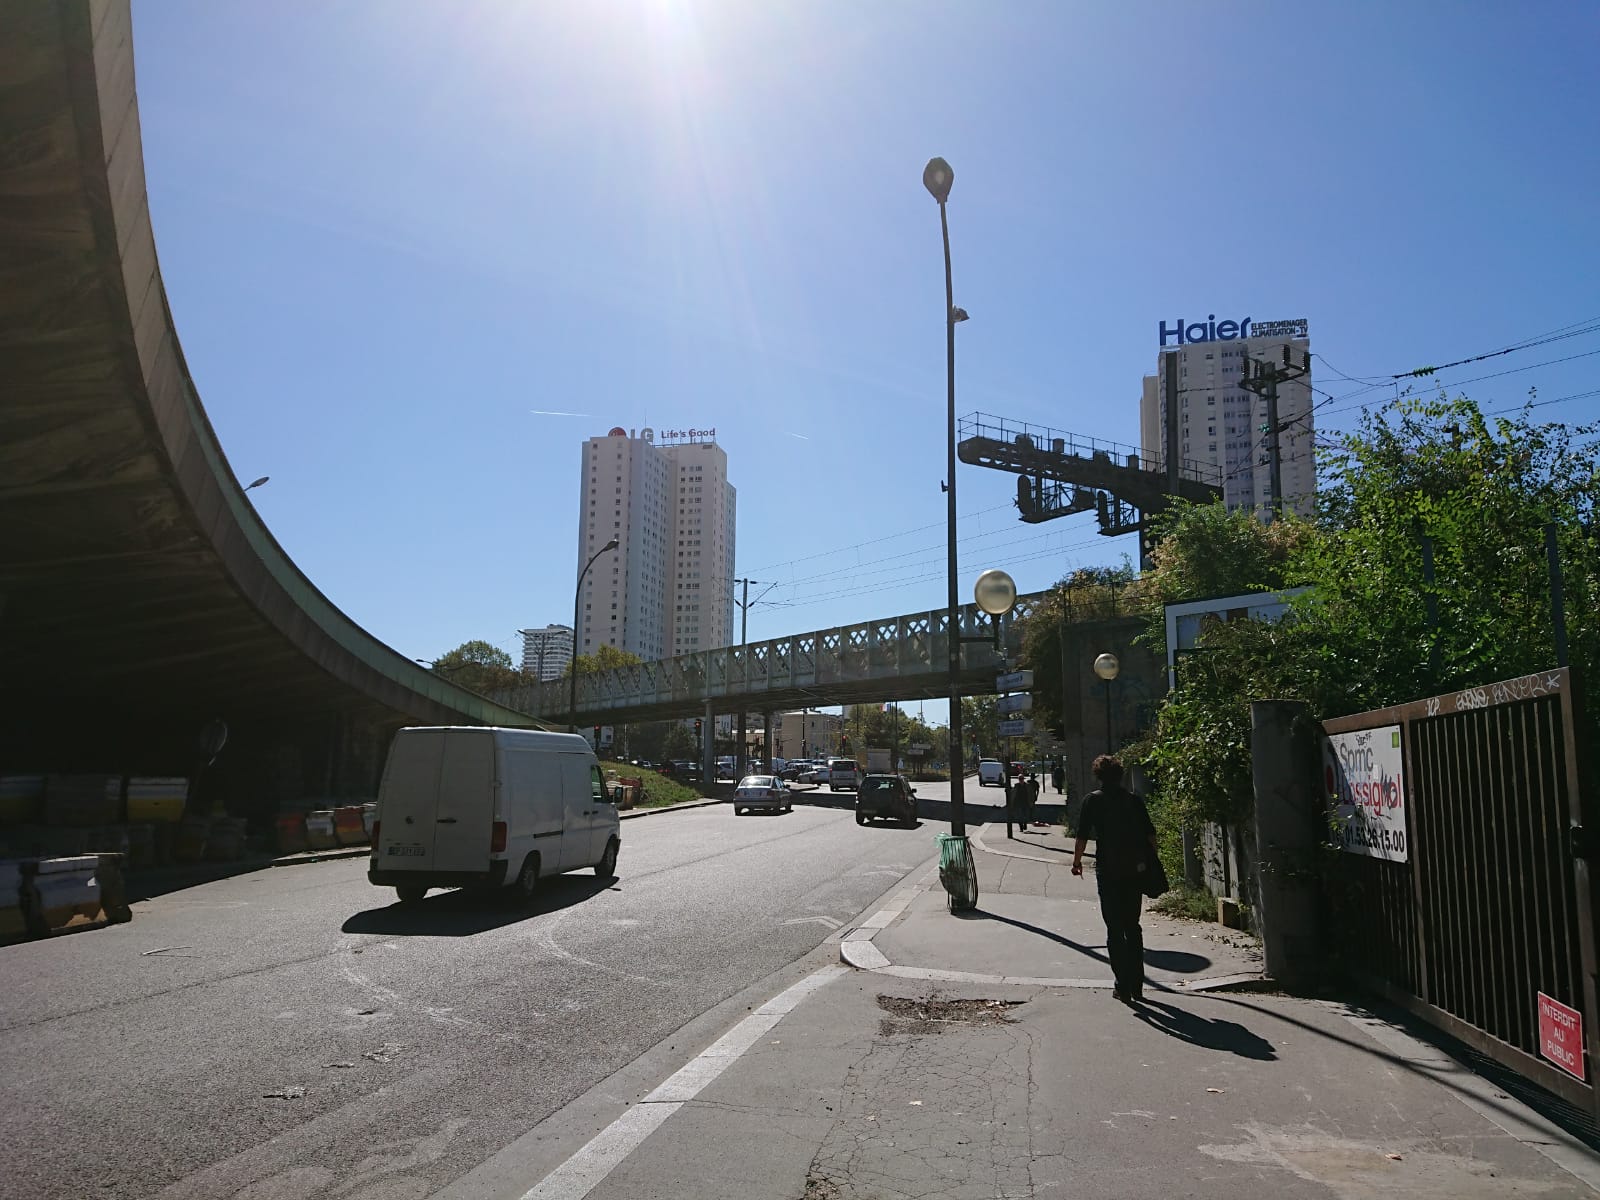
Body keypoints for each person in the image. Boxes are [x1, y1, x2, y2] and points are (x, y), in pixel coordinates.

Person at [1070, 754, 1157, 1004]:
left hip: (1108, 871)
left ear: (1098, 775)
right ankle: (1138, 984)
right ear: (1121, 775)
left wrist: (1077, 863)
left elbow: (1082, 836)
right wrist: (1151, 863)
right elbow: (1151, 835)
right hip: (1134, 871)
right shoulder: (1133, 801)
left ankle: (1123, 985)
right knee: (1133, 926)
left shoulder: (1092, 802)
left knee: (1114, 928)